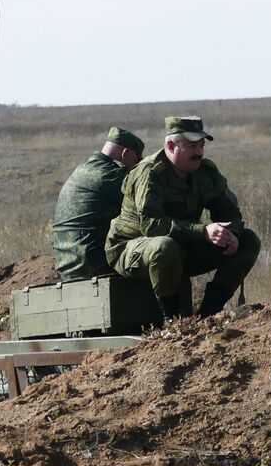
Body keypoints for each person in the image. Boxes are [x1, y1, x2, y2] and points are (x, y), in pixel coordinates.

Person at [105, 116, 260, 318]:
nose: (199, 152)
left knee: (247, 240)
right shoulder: (150, 172)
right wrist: (203, 231)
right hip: (132, 248)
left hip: (182, 245)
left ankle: (207, 316)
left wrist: (231, 233)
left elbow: (229, 211)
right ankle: (173, 321)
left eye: (201, 145)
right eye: (192, 146)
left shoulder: (206, 172)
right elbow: (151, 226)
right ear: (171, 146)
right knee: (164, 247)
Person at [52, 127, 145, 281]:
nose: (134, 167)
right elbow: (145, 211)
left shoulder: (83, 169)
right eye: (136, 161)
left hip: (66, 263)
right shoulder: (112, 176)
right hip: (93, 265)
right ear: (125, 154)